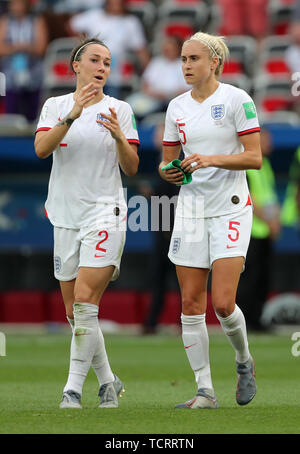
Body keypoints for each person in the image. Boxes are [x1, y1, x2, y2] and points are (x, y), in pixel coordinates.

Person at [34, 37, 140, 409]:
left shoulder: (120, 110)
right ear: (76, 66)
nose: (102, 67)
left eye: (108, 62)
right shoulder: (56, 106)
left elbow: (131, 167)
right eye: (95, 60)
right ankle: (108, 381)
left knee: (84, 302)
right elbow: (42, 150)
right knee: (74, 312)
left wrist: (118, 137)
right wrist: (71, 115)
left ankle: (72, 390)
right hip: (64, 215)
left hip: (105, 213)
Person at [159, 31, 261, 409]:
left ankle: (243, 360)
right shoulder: (176, 107)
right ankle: (205, 391)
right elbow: (168, 160)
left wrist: (208, 158)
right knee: (189, 302)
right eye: (184, 59)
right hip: (191, 209)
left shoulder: (237, 99)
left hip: (231, 206)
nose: (186, 66)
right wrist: (169, 171)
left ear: (214, 62)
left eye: (194, 59)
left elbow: (255, 158)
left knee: (221, 303)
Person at [236, 128, 281, 331]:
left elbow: (269, 196)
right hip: (251, 230)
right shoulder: (247, 165)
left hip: (265, 231)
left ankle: (257, 318)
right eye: (266, 139)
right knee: (249, 278)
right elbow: (250, 199)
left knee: (264, 277)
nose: (270, 143)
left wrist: (276, 220)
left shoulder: (266, 165)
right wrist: (270, 221)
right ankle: (245, 320)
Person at [68, 0, 150, 98]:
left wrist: (149, 71)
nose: (115, 4)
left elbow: (140, 48)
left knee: (109, 101)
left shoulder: (130, 22)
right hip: (92, 63)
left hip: (116, 67)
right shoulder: (94, 15)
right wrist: (82, 42)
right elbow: (72, 24)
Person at [0, 0, 48, 121]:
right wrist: (19, 47)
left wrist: (22, 47)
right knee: (11, 111)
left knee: (32, 113)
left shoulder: (37, 20)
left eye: (20, 3)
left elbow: (41, 48)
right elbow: (1, 48)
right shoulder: (5, 21)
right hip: (10, 74)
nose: (17, 7)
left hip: (33, 72)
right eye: (14, 4)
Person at [126, 35, 190, 120]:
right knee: (128, 106)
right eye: (166, 48)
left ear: (178, 49)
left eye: (170, 48)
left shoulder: (184, 65)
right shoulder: (156, 62)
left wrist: (167, 95)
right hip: (152, 97)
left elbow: (186, 90)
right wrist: (151, 93)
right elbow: (145, 83)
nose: (167, 51)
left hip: (172, 101)